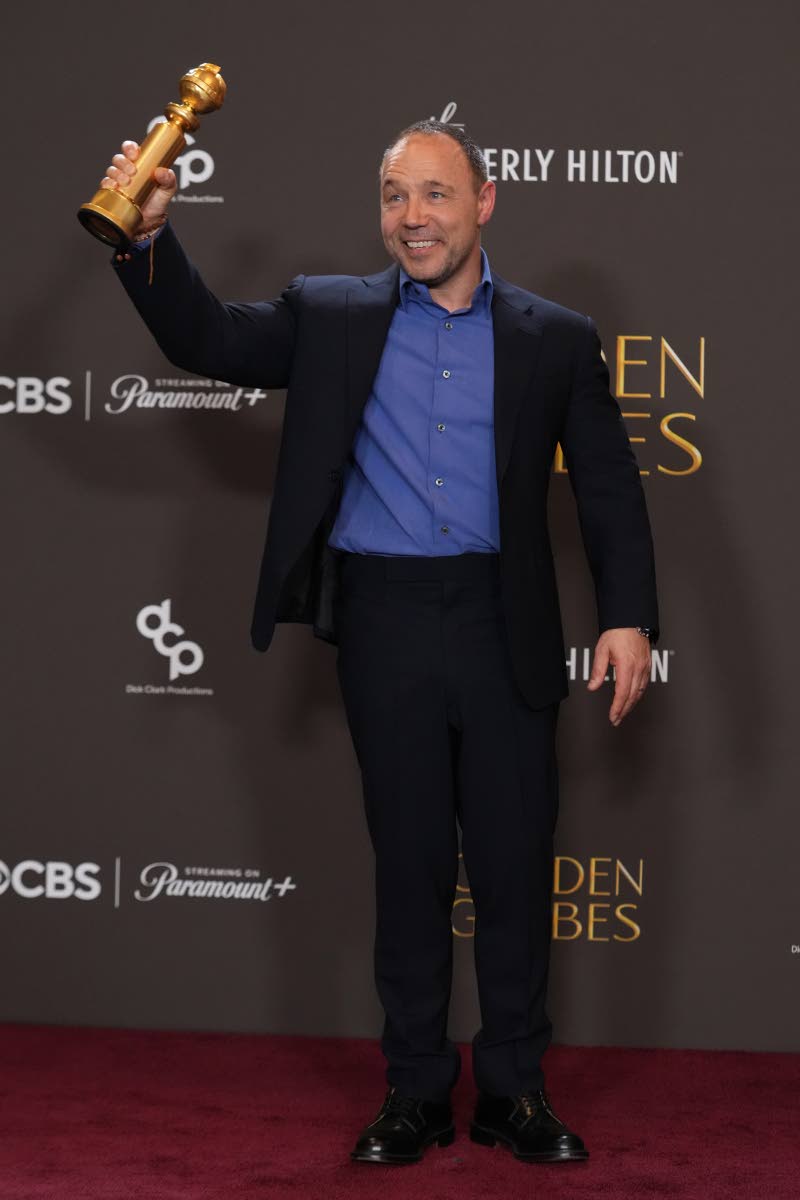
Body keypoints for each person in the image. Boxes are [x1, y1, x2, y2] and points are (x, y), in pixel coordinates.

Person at [98, 120, 658, 1167]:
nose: (413, 219)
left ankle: (511, 1095)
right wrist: (145, 237)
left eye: (435, 196)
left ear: (483, 202)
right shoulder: (331, 314)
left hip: (505, 625)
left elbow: (610, 488)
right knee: (407, 871)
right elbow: (206, 343)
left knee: (510, 869)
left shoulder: (554, 336)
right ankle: (411, 1092)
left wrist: (625, 616)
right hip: (386, 624)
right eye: (396, 197)